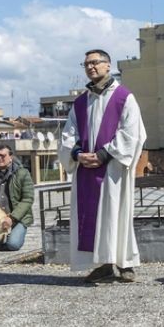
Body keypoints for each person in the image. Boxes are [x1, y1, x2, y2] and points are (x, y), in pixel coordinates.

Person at [59, 49, 147, 284]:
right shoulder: (79, 103)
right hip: (87, 171)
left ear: (108, 66)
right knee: (94, 218)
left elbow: (133, 133)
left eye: (95, 62)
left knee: (117, 215)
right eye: (86, 63)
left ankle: (125, 263)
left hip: (113, 170)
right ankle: (105, 265)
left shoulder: (124, 98)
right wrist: (78, 154)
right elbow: (68, 135)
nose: (90, 67)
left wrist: (103, 154)